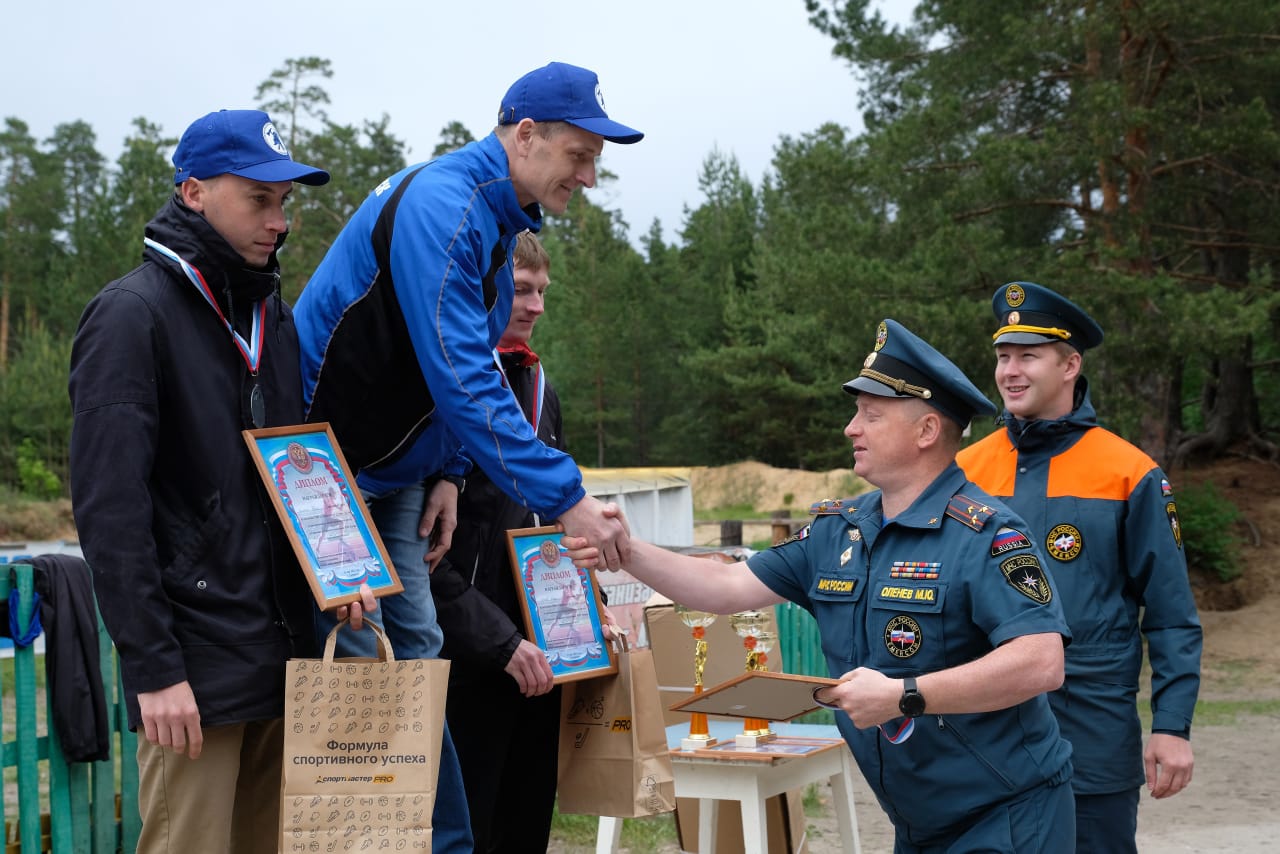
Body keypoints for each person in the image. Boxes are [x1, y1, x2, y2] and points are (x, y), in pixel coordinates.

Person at [294, 62, 643, 852]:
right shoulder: (446, 207)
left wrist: (447, 474)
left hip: (392, 475)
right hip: (323, 472)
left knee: (415, 654)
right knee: (364, 659)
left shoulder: (490, 217)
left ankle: (440, 842)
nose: (589, 176)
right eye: (579, 155)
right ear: (525, 136)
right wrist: (566, 497)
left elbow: (469, 361)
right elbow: (459, 373)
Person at [566, 319, 1077, 852]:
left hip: (1009, 816)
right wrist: (624, 549)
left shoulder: (987, 534)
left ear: (926, 431)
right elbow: (723, 586)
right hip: (920, 821)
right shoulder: (839, 529)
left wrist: (903, 696)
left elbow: (1041, 662)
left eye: (871, 416)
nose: (850, 429)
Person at [68, 109, 370, 854]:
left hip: (283, 657)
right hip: (194, 675)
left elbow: (298, 474)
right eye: (259, 199)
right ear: (195, 191)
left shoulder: (277, 318)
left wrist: (340, 575)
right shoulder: (130, 316)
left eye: (284, 202)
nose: (280, 221)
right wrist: (155, 667)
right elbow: (110, 512)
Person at [956, 282, 1202, 853]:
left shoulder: (1129, 473)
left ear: (1070, 364)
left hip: (1090, 730)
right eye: (1002, 356)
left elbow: (1169, 614)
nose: (1011, 371)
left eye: (1028, 356)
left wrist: (1171, 726)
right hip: (980, 730)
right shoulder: (964, 472)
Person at [429, 231, 563, 852]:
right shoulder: (446, 389)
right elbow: (422, 555)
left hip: (542, 658)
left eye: (542, 291)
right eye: (522, 288)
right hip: (470, 657)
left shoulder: (542, 391)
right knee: (468, 830)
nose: (535, 304)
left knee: (526, 822)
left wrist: (581, 616)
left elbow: (553, 528)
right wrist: (499, 641)